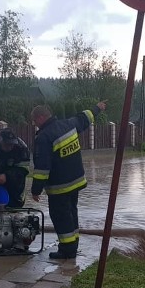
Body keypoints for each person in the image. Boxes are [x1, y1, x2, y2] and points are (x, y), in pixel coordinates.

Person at [30, 101, 106, 260]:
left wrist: (36, 190)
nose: (34, 124)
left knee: (61, 218)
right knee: (72, 214)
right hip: (76, 182)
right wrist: (97, 108)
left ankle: (67, 251)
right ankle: (73, 245)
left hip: (59, 188)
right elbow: (85, 117)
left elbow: (42, 168)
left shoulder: (44, 137)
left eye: (35, 121)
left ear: (42, 117)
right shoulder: (69, 124)